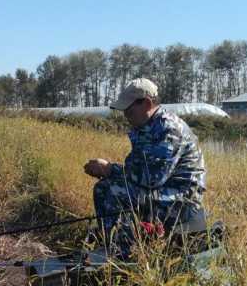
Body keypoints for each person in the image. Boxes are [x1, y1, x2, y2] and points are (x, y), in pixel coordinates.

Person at [83, 78, 206, 258]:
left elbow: (151, 179)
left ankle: (123, 255)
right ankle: (110, 244)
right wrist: (109, 171)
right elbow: (135, 169)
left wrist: (109, 169)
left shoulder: (168, 129)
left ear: (147, 103)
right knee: (103, 188)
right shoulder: (146, 128)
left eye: (129, 109)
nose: (125, 114)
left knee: (114, 191)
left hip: (182, 199)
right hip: (162, 191)